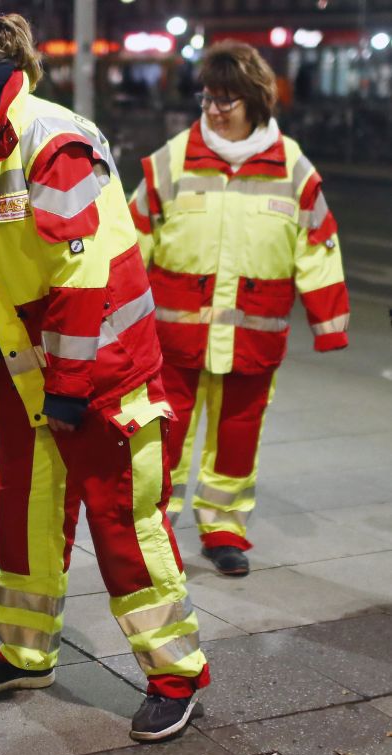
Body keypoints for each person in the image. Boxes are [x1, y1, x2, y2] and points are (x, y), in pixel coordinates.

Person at [0, 0, 209, 742]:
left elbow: (83, 274)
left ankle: (175, 673)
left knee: (126, 526)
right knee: (26, 515)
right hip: (25, 370)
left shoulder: (51, 141)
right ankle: (25, 652)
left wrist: (68, 389)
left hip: (102, 374)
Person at [129, 41, 349, 577]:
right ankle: (155, 534)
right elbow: (132, 237)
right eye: (208, 98)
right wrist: (113, 313)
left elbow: (318, 242)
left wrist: (330, 323)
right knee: (166, 440)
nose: (214, 109)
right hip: (176, 338)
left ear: (255, 101)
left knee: (238, 438)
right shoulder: (172, 159)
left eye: (226, 100)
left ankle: (224, 529)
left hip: (254, 339)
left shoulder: (292, 167)